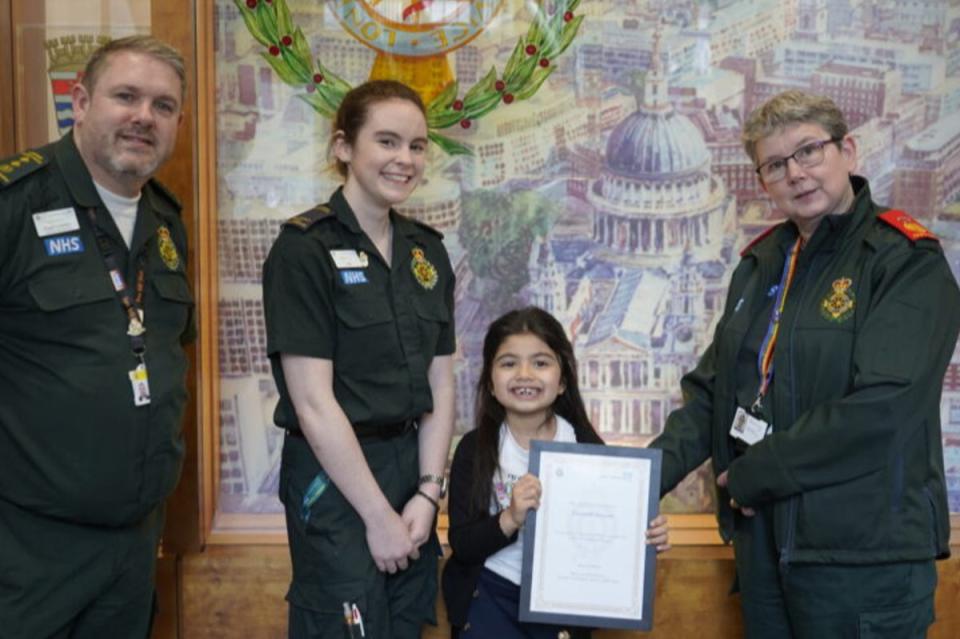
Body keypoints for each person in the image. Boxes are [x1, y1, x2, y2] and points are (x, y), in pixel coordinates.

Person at [649, 90, 960, 638]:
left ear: (848, 151)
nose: (795, 173)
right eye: (774, 164)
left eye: (809, 151)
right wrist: (629, 485)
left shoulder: (904, 261)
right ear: (762, 181)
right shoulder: (760, 264)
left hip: (863, 562)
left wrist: (753, 475)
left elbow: (883, 408)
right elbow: (711, 396)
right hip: (766, 553)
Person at [0, 36, 193, 638]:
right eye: (126, 96)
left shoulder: (166, 221)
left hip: (134, 548)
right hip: (27, 551)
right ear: (81, 101)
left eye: (163, 106)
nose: (144, 117)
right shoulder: (14, 204)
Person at [262, 80, 456, 639]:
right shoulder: (304, 249)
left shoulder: (427, 250)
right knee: (346, 627)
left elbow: (440, 385)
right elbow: (314, 404)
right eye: (387, 141)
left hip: (408, 467)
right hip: (336, 477)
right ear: (344, 147)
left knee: (403, 622)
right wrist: (377, 517)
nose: (405, 159)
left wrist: (427, 492)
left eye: (417, 146)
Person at [442, 307, 670, 639]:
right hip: (491, 594)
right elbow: (462, 544)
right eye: (508, 363)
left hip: (564, 602)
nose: (524, 374)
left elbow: (610, 532)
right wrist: (510, 518)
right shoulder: (474, 449)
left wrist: (647, 536)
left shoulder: (586, 446)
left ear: (562, 381)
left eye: (540, 362)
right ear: (490, 382)